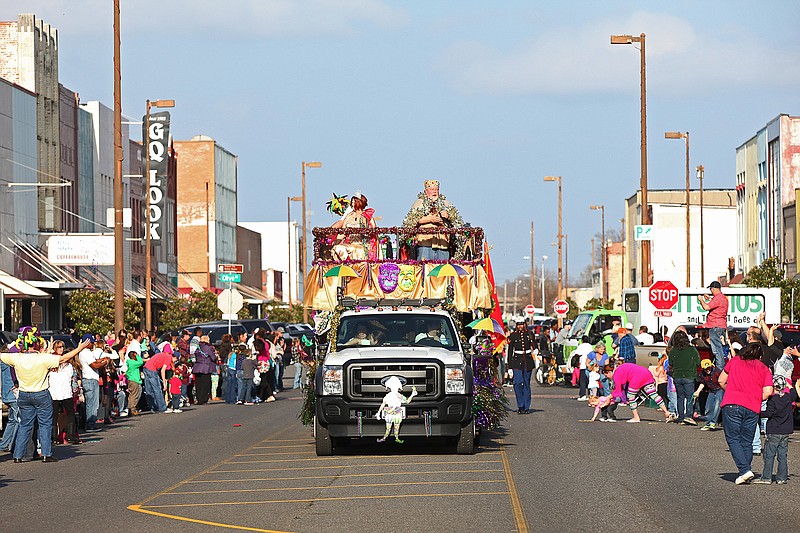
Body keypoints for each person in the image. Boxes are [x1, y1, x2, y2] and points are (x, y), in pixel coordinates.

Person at [1, 337, 90, 462]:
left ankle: (17, 455)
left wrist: (14, 346)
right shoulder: (43, 358)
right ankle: (46, 454)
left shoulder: (17, 357)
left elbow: (2, 355)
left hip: (24, 394)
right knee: (44, 424)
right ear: (37, 344)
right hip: (41, 393)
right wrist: (79, 348)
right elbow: (64, 358)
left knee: (24, 425)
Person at [718, 342, 773, 485]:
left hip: (732, 402)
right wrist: (754, 396)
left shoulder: (735, 361)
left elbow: (721, 380)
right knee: (747, 441)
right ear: (760, 355)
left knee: (733, 438)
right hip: (752, 406)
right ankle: (745, 471)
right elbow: (768, 392)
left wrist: (730, 391)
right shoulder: (764, 368)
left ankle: (744, 470)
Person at [402, 179, 464, 261]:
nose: (435, 192)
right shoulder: (420, 203)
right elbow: (411, 221)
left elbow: (457, 221)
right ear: (426, 191)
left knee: (443, 271)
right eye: (432, 189)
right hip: (425, 244)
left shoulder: (445, 204)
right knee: (425, 270)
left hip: (443, 245)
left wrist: (448, 216)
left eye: (436, 189)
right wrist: (429, 219)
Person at [754, 375, 799, 484]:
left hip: (774, 430)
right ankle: (782, 478)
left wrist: (757, 412)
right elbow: (794, 392)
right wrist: (789, 385)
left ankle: (766, 477)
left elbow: (768, 413)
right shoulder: (788, 397)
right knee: (782, 455)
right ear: (784, 386)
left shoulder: (772, 400)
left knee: (769, 455)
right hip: (786, 431)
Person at [48, 340, 80, 444]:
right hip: (54, 392)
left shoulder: (68, 364)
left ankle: (70, 434)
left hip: (66, 392)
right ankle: (53, 436)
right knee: (54, 415)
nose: (61, 349)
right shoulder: (51, 362)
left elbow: (71, 378)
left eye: (62, 347)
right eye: (59, 347)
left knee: (70, 413)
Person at [78, 334, 112, 431]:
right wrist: (105, 363)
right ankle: (89, 425)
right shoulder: (85, 352)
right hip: (90, 380)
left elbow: (95, 361)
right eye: (91, 342)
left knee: (92, 403)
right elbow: (94, 365)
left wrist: (102, 359)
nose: (93, 344)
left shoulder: (86, 352)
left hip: (90, 380)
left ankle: (90, 423)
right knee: (92, 404)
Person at [667, 330, 701, 426]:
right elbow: (698, 362)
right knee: (689, 397)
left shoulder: (673, 350)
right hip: (689, 375)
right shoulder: (692, 349)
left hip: (677, 376)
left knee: (680, 397)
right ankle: (688, 416)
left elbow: (670, 363)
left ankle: (681, 416)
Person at [330, 193, 377, 260]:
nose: (352, 204)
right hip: (350, 245)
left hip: (362, 246)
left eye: (354, 202)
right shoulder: (348, 216)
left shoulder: (367, 216)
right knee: (338, 248)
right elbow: (342, 233)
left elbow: (374, 232)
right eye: (351, 202)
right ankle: (346, 265)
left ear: (359, 202)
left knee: (357, 251)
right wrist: (336, 242)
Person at [698, 281, 729, 369]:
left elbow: (706, 307)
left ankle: (719, 369)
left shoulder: (718, 298)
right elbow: (717, 305)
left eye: (711, 289)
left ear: (713, 289)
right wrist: (710, 299)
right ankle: (722, 367)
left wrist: (701, 300)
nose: (711, 291)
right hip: (721, 326)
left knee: (717, 350)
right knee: (721, 349)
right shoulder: (723, 298)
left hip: (715, 326)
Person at [506, 321, 534, 414]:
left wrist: (537, 351)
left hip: (528, 360)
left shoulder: (529, 334)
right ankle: (520, 405)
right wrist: (509, 366)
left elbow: (534, 345)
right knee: (517, 383)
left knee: (526, 384)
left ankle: (526, 407)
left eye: (522, 324)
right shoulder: (513, 335)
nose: (520, 326)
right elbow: (510, 351)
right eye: (518, 325)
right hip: (517, 361)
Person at [142, 346, 174, 413]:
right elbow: (163, 370)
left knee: (149, 390)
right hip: (152, 370)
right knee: (157, 389)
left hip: (146, 368)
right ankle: (162, 408)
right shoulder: (169, 357)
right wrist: (164, 383)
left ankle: (152, 407)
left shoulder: (161, 355)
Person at [694, 359, 723, 431]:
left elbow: (723, 381)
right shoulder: (702, 373)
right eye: (706, 369)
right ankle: (708, 423)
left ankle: (713, 423)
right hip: (711, 390)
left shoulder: (717, 371)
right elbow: (702, 383)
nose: (707, 370)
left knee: (717, 406)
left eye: (708, 368)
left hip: (720, 389)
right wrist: (697, 391)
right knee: (708, 407)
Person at [0, 355, 20, 452]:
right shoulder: (12, 364)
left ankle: (4, 444)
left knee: (11, 421)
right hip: (13, 395)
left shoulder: (2, 365)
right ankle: (13, 446)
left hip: (6, 395)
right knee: (18, 421)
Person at [192, 335, 217, 405]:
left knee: (198, 384)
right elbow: (213, 357)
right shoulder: (208, 348)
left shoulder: (198, 347)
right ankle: (204, 399)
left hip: (197, 366)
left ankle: (199, 399)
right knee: (206, 384)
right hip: (206, 367)